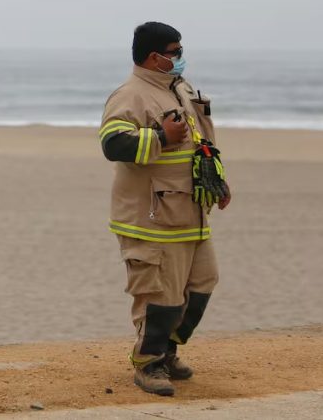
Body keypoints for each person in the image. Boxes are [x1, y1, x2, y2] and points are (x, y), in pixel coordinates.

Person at [99, 22, 230, 396]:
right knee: (161, 297)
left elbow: (204, 142)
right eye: (174, 52)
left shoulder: (181, 89)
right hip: (151, 218)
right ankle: (149, 363)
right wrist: (160, 137)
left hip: (191, 213)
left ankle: (168, 351)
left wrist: (218, 182)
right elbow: (112, 143)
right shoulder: (130, 95)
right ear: (154, 57)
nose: (179, 58)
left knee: (202, 286)